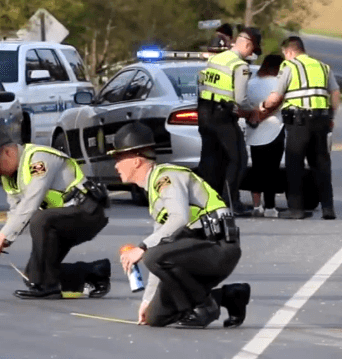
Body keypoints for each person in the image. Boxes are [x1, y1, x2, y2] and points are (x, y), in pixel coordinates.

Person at [112, 122, 250, 328]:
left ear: (136, 161)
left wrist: (141, 248)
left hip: (217, 248)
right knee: (154, 317)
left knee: (154, 256)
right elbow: (160, 239)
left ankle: (205, 306)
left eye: (119, 158)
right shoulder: (154, 190)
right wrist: (147, 301)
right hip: (194, 254)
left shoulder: (166, 178)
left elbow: (179, 218)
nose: (115, 165)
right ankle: (230, 296)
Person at [0, 128, 111, 299]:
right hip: (62, 220)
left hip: (87, 212)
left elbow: (32, 200)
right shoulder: (9, 177)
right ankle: (96, 272)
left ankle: (48, 287)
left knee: (40, 219)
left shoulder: (38, 160)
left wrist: (3, 237)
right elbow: (15, 211)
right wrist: (4, 239)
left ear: (7, 152)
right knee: (33, 275)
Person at [255, 36, 340, 220]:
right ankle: (328, 208)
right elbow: (335, 92)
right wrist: (331, 116)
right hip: (321, 120)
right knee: (321, 165)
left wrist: (263, 106)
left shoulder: (289, 67)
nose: (285, 58)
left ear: (290, 52)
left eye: (285, 54)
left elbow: (277, 97)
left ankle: (296, 209)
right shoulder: (323, 67)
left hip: (298, 122)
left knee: (295, 165)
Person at [197, 26, 261, 215]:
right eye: (253, 50)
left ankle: (208, 202)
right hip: (222, 116)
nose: (251, 55)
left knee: (211, 159)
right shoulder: (239, 65)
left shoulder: (216, 59)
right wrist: (252, 110)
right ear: (248, 45)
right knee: (238, 158)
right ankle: (231, 202)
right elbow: (240, 99)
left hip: (204, 113)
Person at [245, 54, 285, 218]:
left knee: (257, 168)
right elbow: (276, 104)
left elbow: (244, 104)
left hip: (254, 131)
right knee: (272, 169)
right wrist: (263, 114)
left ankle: (256, 205)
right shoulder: (277, 83)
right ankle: (270, 206)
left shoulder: (251, 83)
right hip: (274, 128)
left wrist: (255, 117)